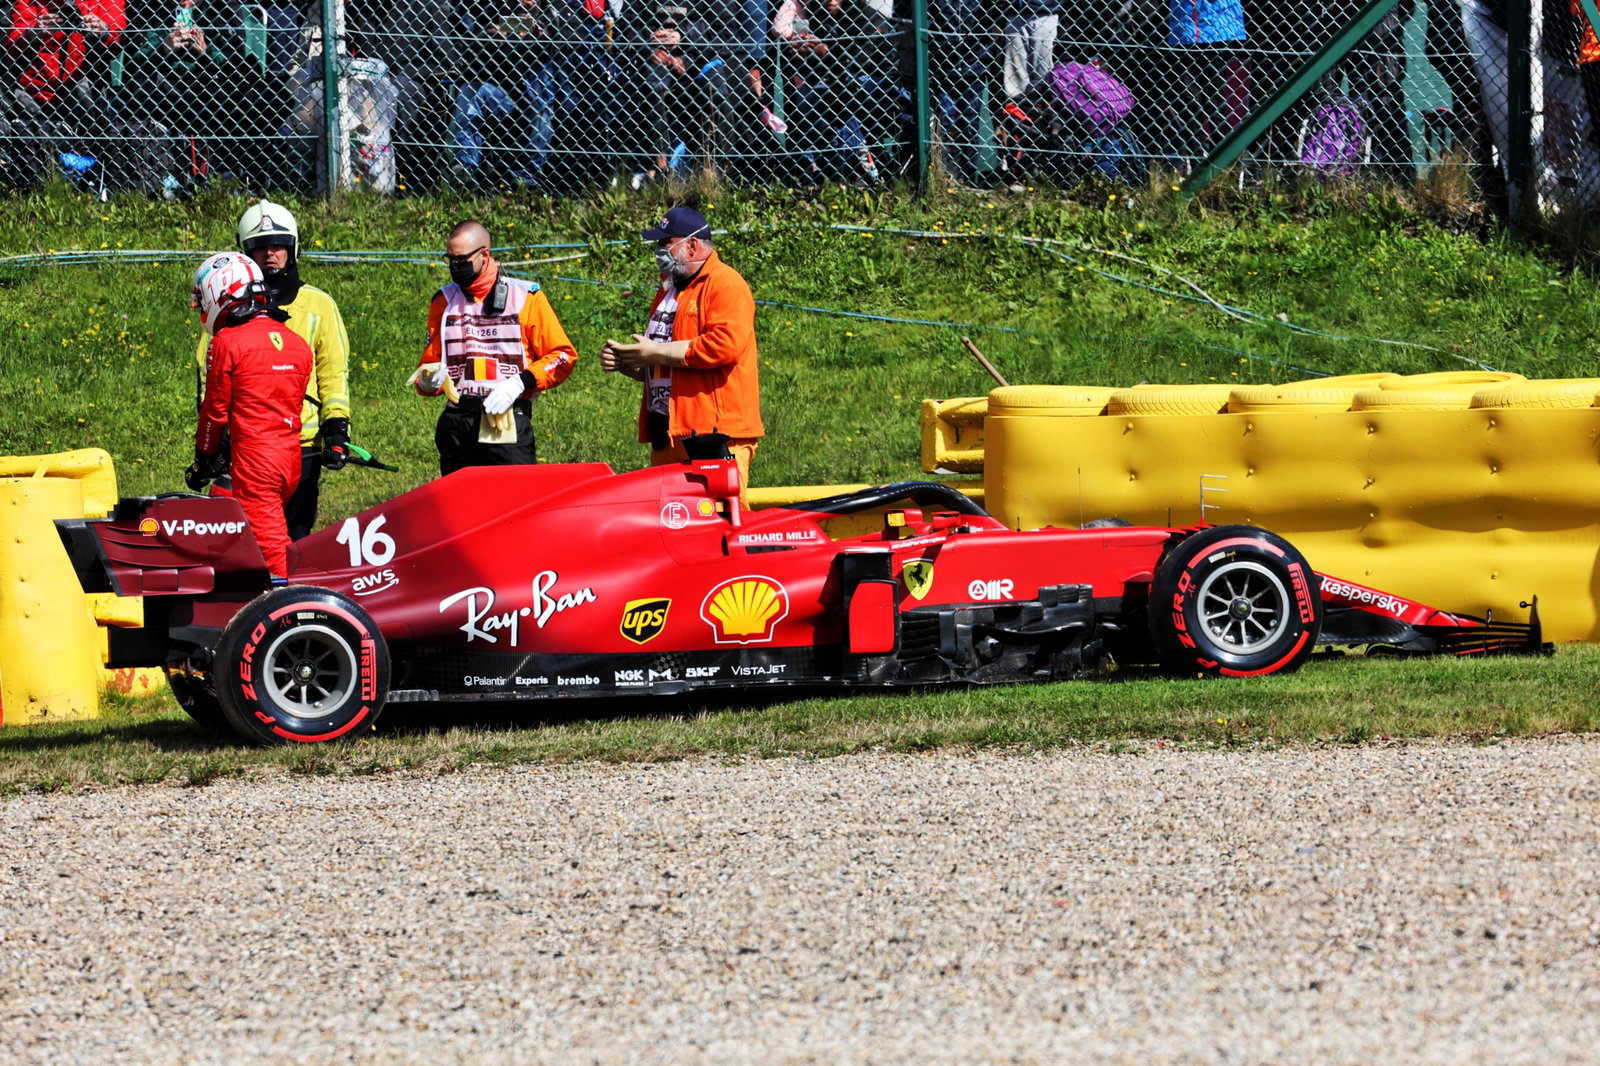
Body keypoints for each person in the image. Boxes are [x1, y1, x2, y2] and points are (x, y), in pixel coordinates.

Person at [193, 200, 351, 541]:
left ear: (293, 247)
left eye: (278, 245)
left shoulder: (319, 305)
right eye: (260, 247)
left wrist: (337, 429)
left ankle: (286, 592)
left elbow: (333, 373)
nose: (270, 254)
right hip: (246, 445)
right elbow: (211, 383)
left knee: (293, 537)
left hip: (303, 443)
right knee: (240, 541)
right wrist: (215, 448)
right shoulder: (226, 312)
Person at [599, 206, 763, 490]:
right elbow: (667, 362)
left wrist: (655, 353)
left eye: (665, 244)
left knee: (722, 518)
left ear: (692, 244)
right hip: (670, 432)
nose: (659, 252)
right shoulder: (668, 291)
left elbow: (725, 346)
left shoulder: (726, 285)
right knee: (673, 525)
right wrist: (628, 362)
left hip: (713, 434)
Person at [415, 218, 578, 475]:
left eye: (462, 260)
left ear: (484, 254)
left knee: (514, 506)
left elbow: (563, 356)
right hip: (458, 422)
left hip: (506, 422)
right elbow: (429, 365)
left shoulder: (525, 297)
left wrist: (520, 382)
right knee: (459, 510)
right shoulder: (443, 302)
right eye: (451, 260)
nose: (456, 267)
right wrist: (426, 381)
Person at [186, 251, 313, 577]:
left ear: (218, 293)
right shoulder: (297, 344)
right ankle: (240, 587)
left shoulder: (227, 343)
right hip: (291, 461)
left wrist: (202, 460)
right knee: (227, 507)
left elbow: (214, 414)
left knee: (274, 554)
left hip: (256, 465)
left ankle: (290, 612)